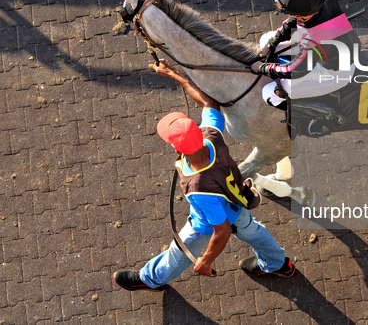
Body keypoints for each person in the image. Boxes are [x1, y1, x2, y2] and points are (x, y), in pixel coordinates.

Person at [113, 60, 295, 292]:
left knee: (180, 251)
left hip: (206, 223)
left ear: (174, 146)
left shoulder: (197, 187)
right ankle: (278, 264)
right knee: (254, 231)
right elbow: (209, 102)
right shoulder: (211, 136)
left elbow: (222, 231)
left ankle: (152, 279)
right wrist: (173, 74)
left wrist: (205, 262)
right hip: (237, 201)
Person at [249, 0, 361, 136]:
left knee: (268, 94)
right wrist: (273, 42)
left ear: (305, 14)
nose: (291, 15)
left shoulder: (313, 36)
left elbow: (294, 70)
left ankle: (327, 113)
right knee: (265, 39)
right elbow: (293, 21)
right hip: (331, 48)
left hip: (335, 74)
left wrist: (264, 68)